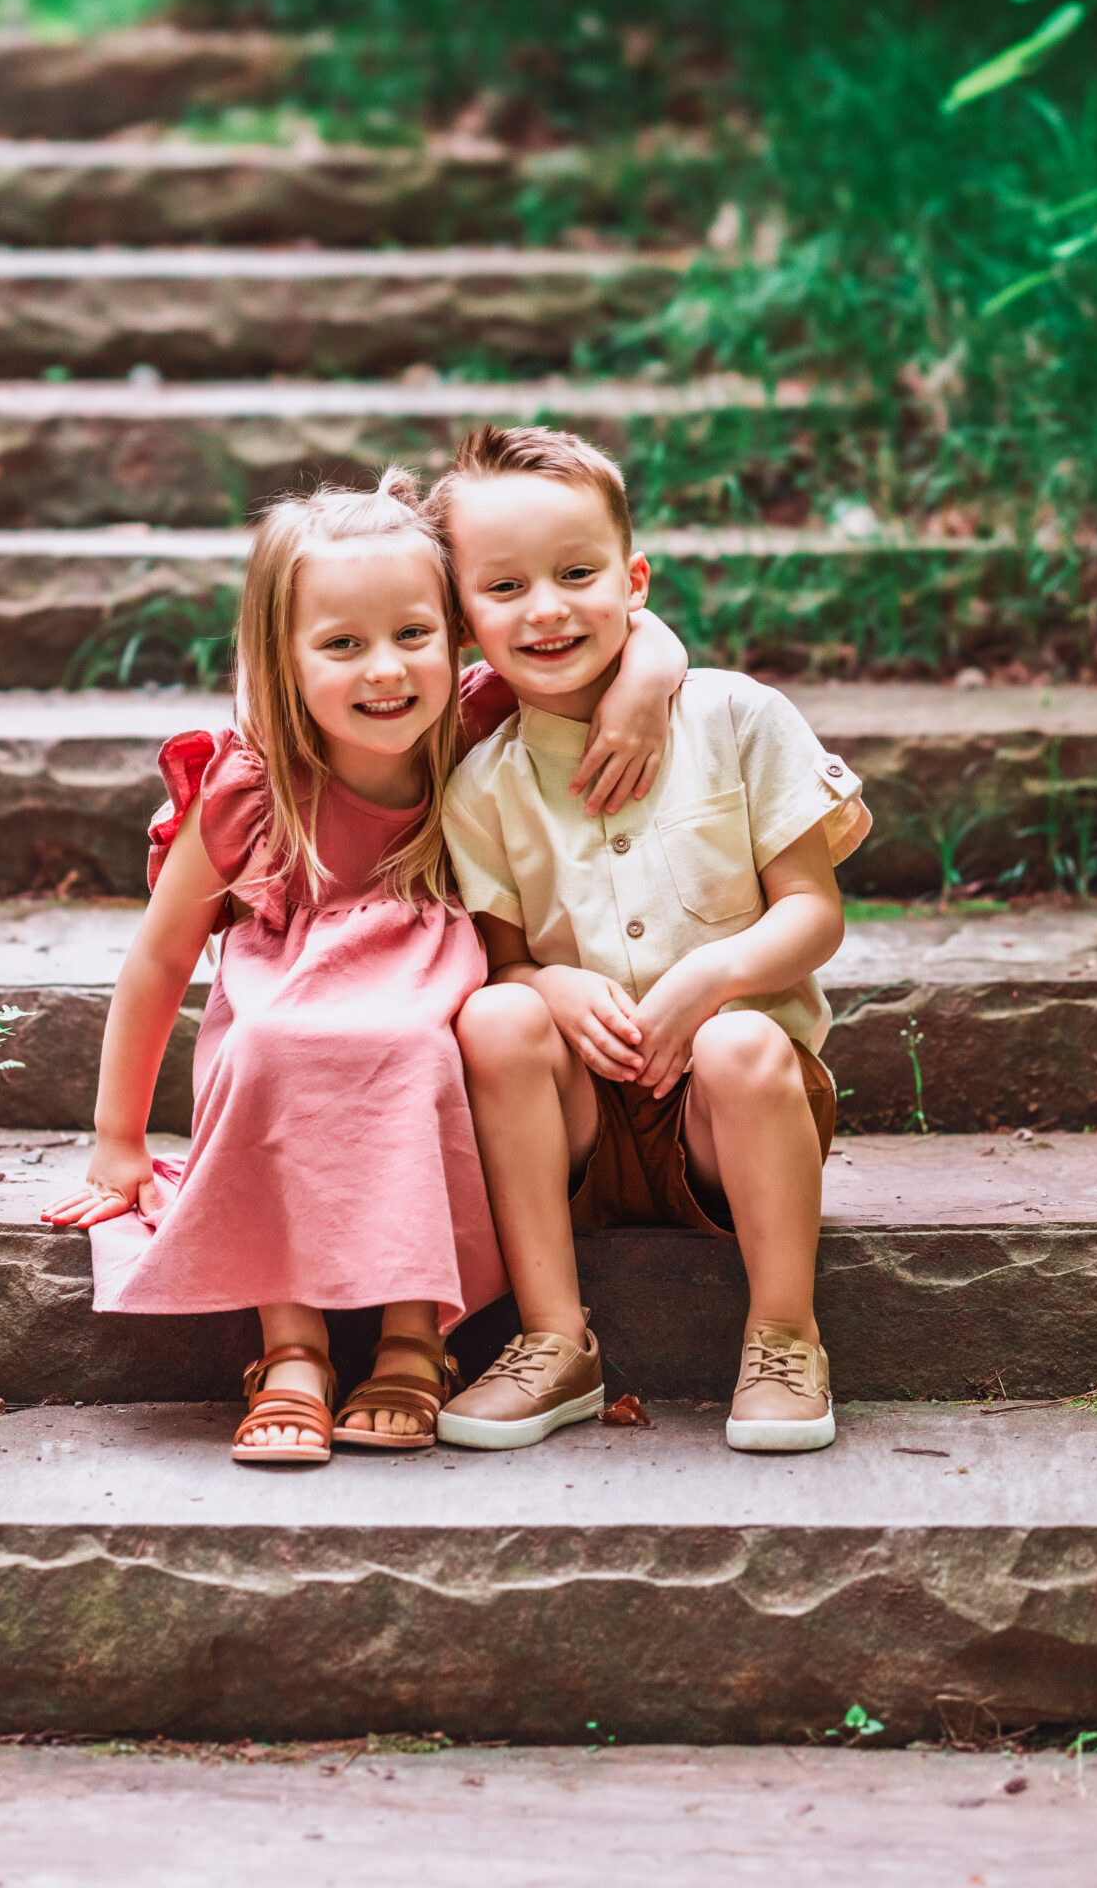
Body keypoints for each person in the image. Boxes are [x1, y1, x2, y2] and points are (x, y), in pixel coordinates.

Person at [40, 466, 685, 1466]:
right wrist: (117, 1142)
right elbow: (163, 956)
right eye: (342, 645)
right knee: (271, 1043)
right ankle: (290, 1346)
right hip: (288, 974)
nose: (386, 671)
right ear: (281, 656)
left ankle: (412, 1337)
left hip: (428, 968)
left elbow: (619, 629)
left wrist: (651, 678)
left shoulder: (472, 721)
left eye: (413, 636)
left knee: (414, 1051)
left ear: (456, 631)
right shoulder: (251, 789)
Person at [430, 425, 871, 1456]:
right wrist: (546, 985)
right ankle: (553, 1338)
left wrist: (714, 976)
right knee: (493, 1014)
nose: (545, 607)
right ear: (463, 620)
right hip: (585, 1127)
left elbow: (815, 912)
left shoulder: (736, 717)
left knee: (739, 1041)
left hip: (734, 1116)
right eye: (504, 589)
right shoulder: (483, 783)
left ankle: (785, 1334)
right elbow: (500, 959)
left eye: (576, 572)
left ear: (634, 581)